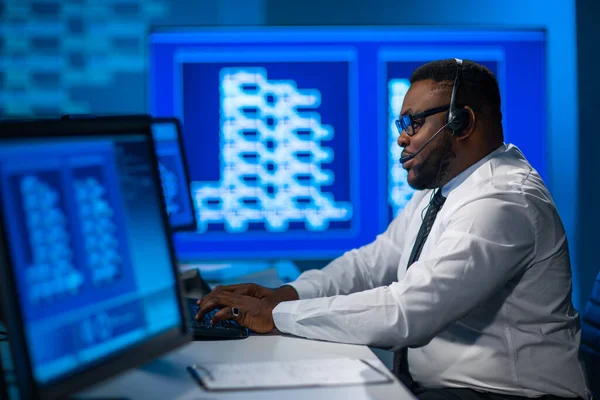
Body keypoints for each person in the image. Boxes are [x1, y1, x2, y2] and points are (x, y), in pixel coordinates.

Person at [196, 59, 590, 399]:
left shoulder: (502, 201)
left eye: (414, 123)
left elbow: (409, 312)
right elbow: (372, 263)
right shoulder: (447, 188)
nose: (402, 138)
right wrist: (288, 292)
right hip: (452, 390)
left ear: (463, 122)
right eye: (401, 123)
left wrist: (277, 314)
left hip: (509, 395)